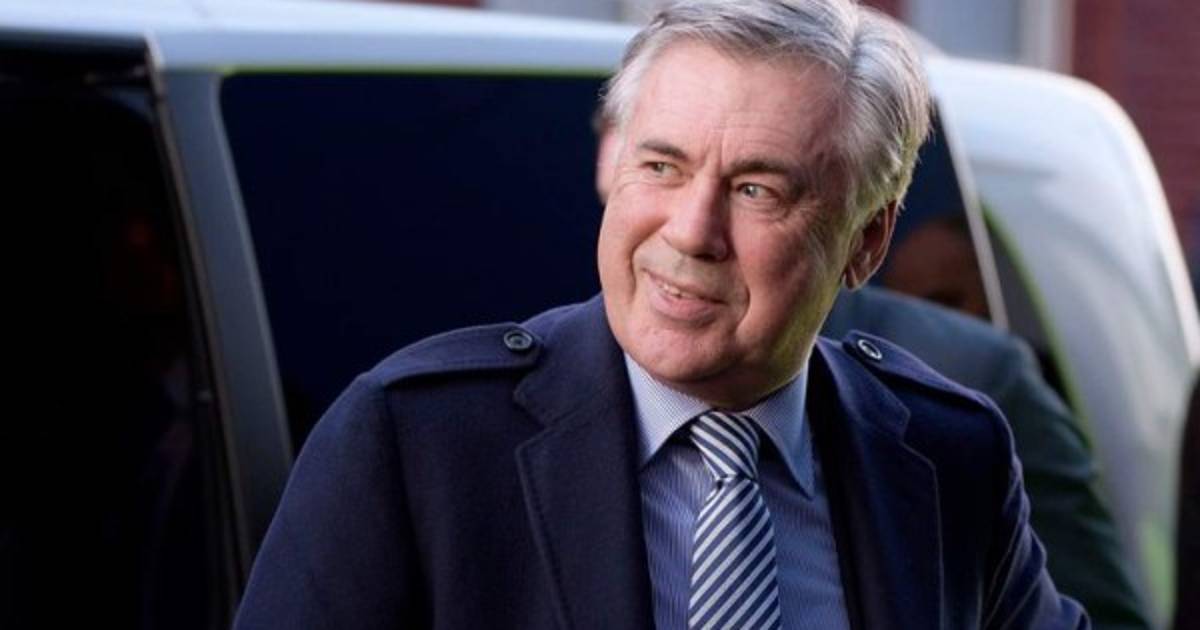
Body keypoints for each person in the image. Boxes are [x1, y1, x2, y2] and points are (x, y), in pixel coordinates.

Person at [235, 1, 1087, 628]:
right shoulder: (417, 443)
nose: (690, 231)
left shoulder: (948, 458)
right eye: (662, 167)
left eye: (757, 189)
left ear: (865, 242)